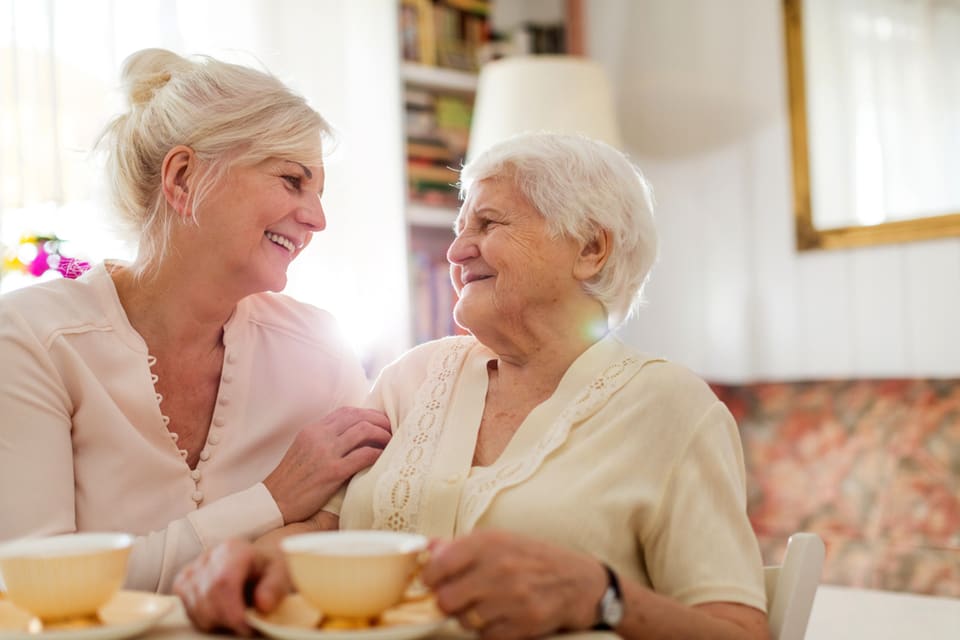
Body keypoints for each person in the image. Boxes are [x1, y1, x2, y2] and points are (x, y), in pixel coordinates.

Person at [174, 133, 770, 640]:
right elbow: (320, 537)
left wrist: (602, 596)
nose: (457, 251)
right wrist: (248, 563)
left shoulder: (671, 407)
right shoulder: (411, 378)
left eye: (488, 223)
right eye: (462, 227)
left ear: (590, 249)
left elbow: (738, 630)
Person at [0, 48, 392, 593]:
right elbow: (41, 588)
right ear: (182, 178)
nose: (317, 219)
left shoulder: (321, 351)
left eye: (319, 193)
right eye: (291, 180)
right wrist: (274, 502)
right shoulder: (33, 339)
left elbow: (368, 531)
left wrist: (304, 530)